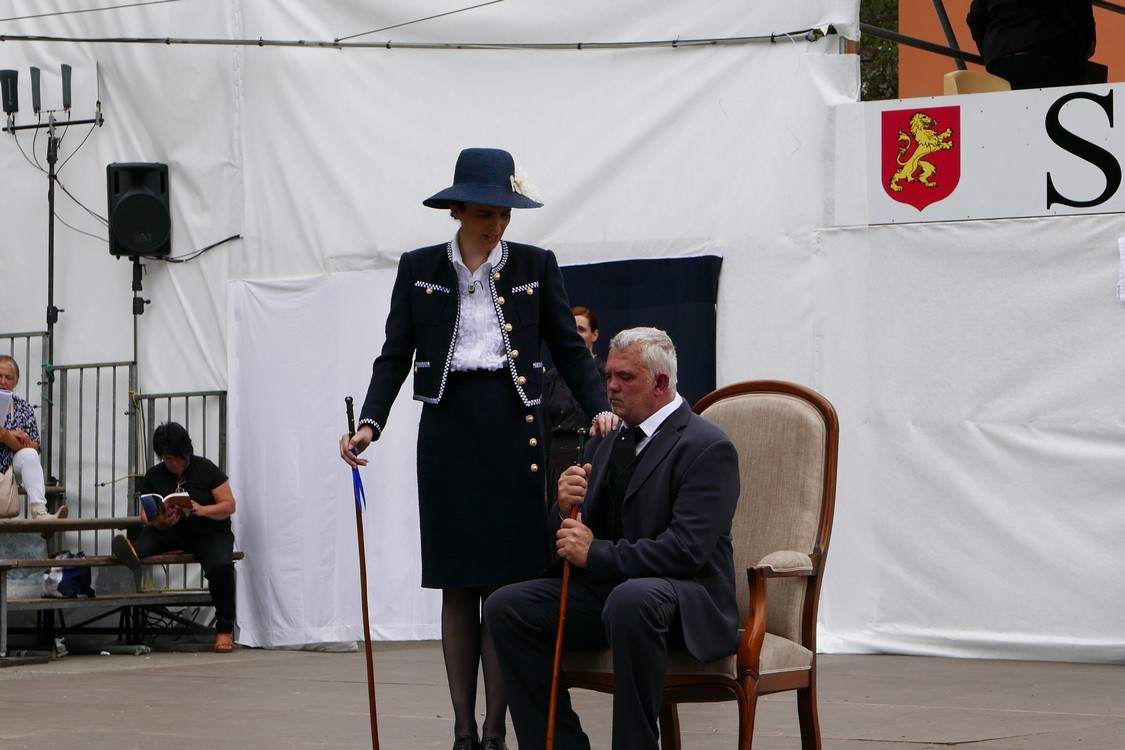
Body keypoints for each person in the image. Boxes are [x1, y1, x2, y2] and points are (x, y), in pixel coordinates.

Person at [339, 148, 616, 750]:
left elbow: (569, 349)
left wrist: (599, 405)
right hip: (447, 430)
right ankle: (464, 729)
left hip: (514, 431)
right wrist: (370, 423)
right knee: (458, 583)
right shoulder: (418, 268)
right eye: (486, 213)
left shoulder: (536, 264)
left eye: (505, 214)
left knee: (505, 587)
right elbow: (395, 354)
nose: (497, 225)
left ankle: (495, 731)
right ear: (458, 210)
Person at [484, 328, 741, 750]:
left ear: (661, 383)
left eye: (625, 377)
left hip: (684, 600)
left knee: (631, 600)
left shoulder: (706, 447)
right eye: (608, 376)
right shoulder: (605, 442)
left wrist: (595, 553)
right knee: (506, 607)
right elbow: (577, 538)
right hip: (614, 592)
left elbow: (686, 551)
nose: (611, 387)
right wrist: (563, 509)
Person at [111, 422, 238, 653]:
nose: (171, 463)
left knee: (221, 566)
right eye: (166, 458)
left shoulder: (206, 468)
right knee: (150, 534)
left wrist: (202, 509)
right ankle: (133, 551)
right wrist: (160, 520)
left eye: (175, 458)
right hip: (172, 529)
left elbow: (229, 505)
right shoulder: (154, 475)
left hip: (209, 531)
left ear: (185, 452)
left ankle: (224, 629)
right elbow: (145, 515)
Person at [541, 306, 605, 505]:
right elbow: (544, 428)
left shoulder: (606, 376)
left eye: (581, 329)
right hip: (557, 464)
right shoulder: (550, 379)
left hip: (593, 462)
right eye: (572, 329)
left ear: (595, 335)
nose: (576, 335)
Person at [967, 0, 1096, 90]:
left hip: (1002, 57)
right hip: (1048, 46)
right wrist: (1087, 42)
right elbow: (1077, 8)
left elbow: (975, 18)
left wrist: (990, 53)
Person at [0, 355, 68, 521]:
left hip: (9, 465)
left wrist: (6, 436)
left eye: (8, 377)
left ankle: (40, 512)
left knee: (29, 454)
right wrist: (13, 434)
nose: (3, 381)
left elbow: (34, 446)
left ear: (16, 381)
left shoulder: (23, 407)